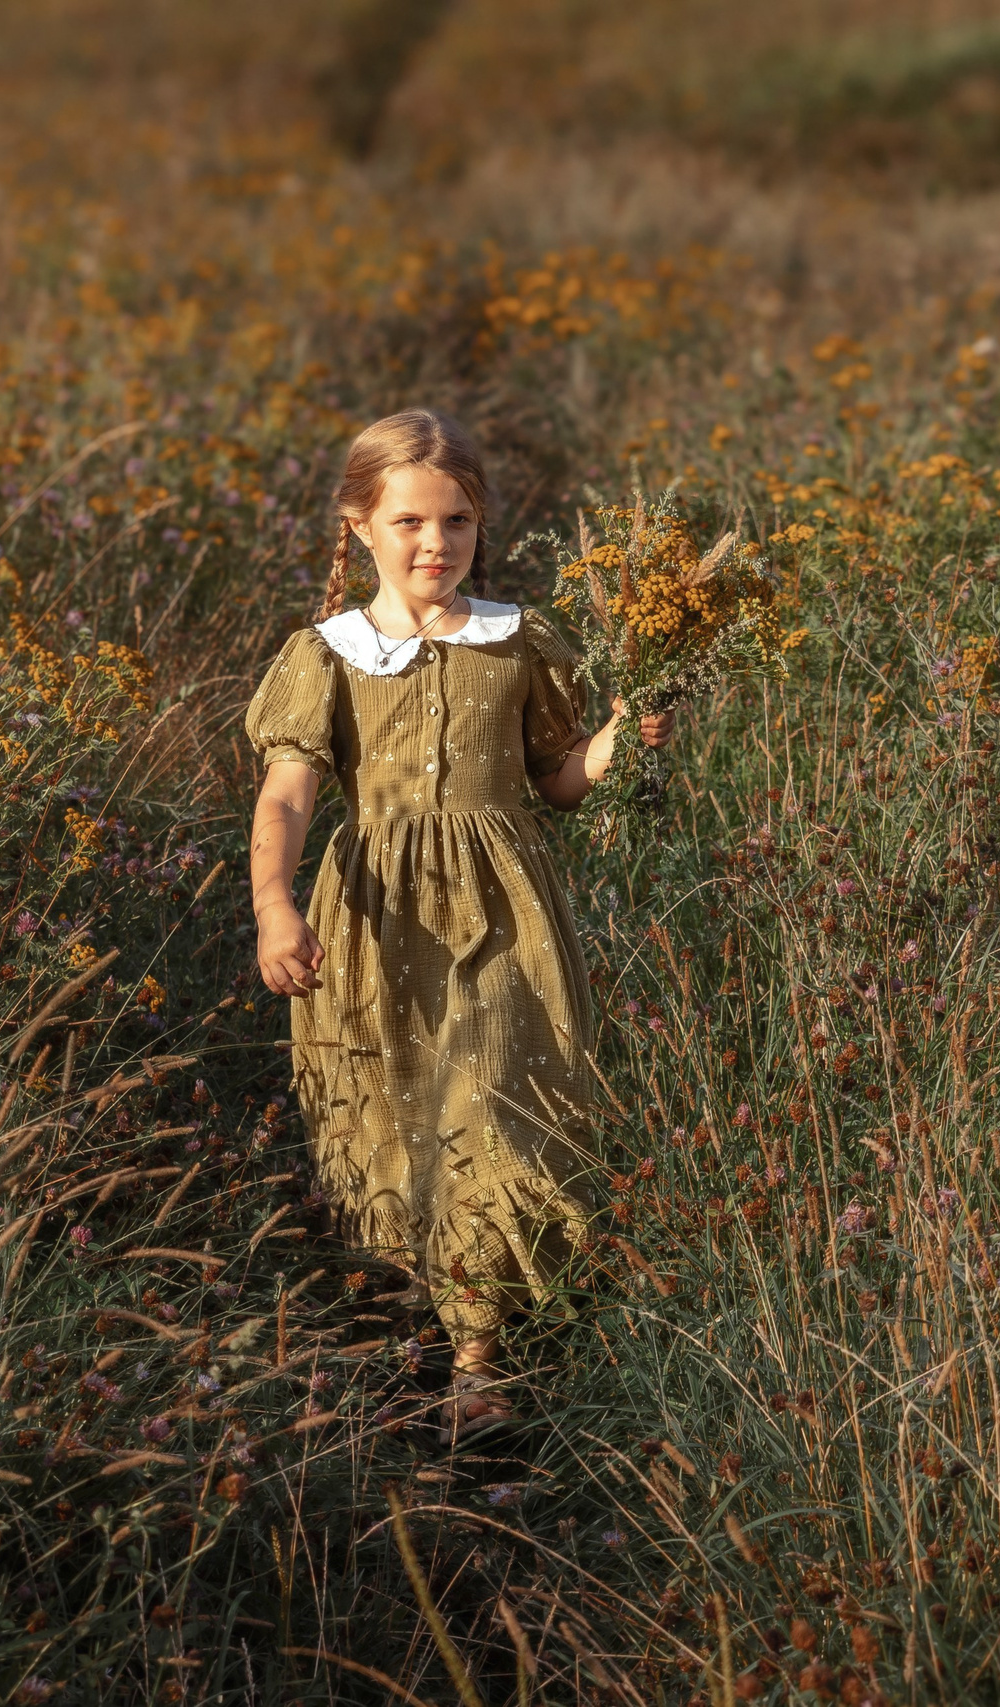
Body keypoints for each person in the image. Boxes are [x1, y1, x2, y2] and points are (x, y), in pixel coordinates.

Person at [243, 408, 674, 1436]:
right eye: (409, 522)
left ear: (481, 524)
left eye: (457, 522)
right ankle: (410, 1320)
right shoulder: (327, 655)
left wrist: (620, 739)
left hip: (503, 915)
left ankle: (478, 1360)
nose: (435, 543)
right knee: (391, 1109)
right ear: (360, 525)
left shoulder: (517, 640)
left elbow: (556, 780)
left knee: (492, 1101)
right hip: (373, 917)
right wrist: (273, 905)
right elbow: (288, 795)